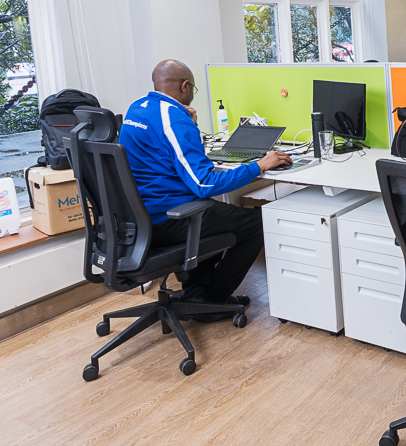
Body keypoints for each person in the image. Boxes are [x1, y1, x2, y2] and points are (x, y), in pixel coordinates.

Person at [119, 59, 291, 313]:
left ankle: (196, 292)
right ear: (185, 86)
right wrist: (260, 166)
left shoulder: (138, 108)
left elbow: (163, 154)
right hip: (167, 218)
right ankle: (213, 298)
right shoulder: (174, 120)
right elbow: (204, 183)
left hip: (139, 217)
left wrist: (190, 126)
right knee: (257, 223)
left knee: (216, 213)